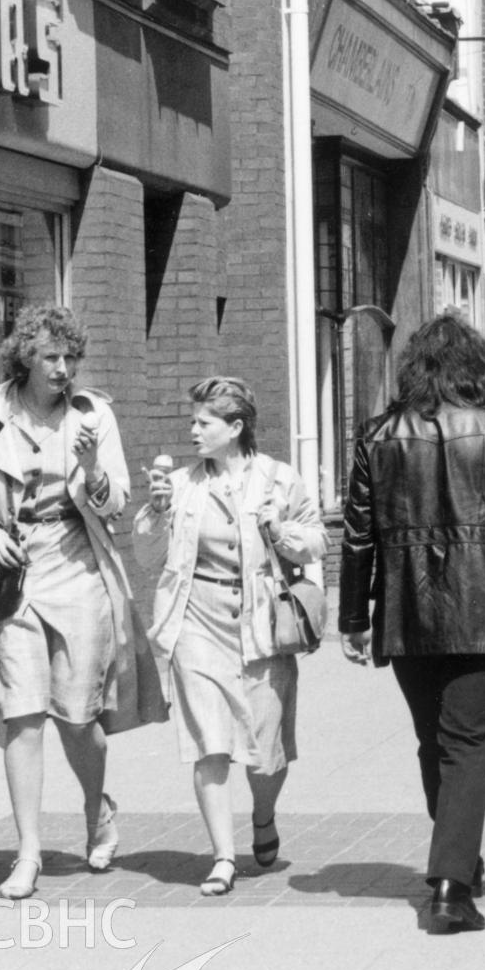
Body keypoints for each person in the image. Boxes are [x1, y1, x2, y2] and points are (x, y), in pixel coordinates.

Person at [339, 313, 485, 934]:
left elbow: (358, 536)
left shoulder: (376, 435)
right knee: (468, 743)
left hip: (407, 610)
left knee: (433, 739)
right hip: (484, 603)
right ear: (477, 370)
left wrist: (354, 617)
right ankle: (449, 887)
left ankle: (457, 853)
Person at [0, 305, 159, 901]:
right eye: (51, 357)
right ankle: (28, 852)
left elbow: (115, 501)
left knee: (77, 717)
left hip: (77, 568)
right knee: (21, 715)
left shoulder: (93, 416)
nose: (64, 369)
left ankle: (97, 810)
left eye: (71, 358)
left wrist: (93, 467)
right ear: (26, 357)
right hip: (10, 576)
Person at [135, 377, 323, 894]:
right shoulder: (181, 485)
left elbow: (318, 542)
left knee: (265, 755)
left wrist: (281, 531)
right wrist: (156, 512)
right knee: (210, 745)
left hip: (260, 625)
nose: (193, 431)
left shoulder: (279, 479)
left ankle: (264, 816)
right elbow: (148, 560)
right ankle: (223, 856)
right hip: (196, 620)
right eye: (192, 421)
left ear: (236, 427)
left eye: (204, 423)